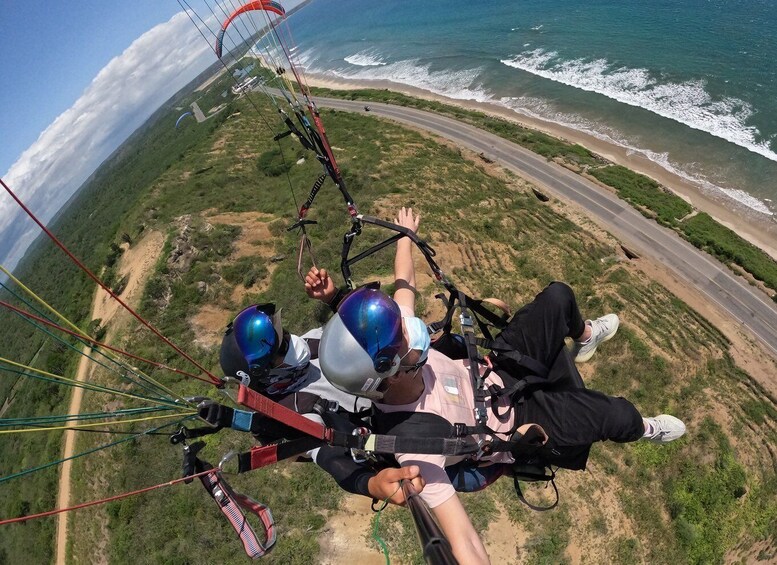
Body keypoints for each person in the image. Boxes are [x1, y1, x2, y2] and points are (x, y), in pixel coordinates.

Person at [316, 207, 687, 564]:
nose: (412, 332)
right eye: (403, 339)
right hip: (517, 421)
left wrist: (404, 236)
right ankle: (645, 429)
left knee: (558, 297)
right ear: (390, 373)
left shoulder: (400, 350)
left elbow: (404, 286)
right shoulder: (415, 448)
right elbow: (463, 539)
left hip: (496, 366)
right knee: (617, 414)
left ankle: (585, 334)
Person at [204, 303, 425, 505]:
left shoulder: (311, 343)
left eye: (285, 336)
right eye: (281, 350)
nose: (291, 343)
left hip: (415, 377)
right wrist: (371, 484)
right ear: (268, 377)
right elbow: (330, 459)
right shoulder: (296, 412)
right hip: (410, 426)